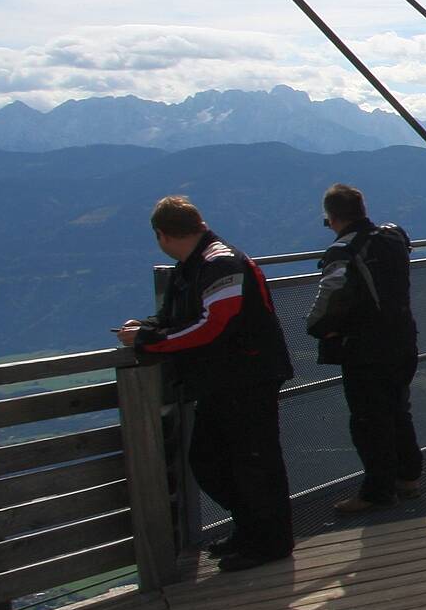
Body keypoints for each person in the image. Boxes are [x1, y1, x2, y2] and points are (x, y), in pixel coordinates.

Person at [115, 196, 294, 572]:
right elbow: (184, 319)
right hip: (225, 379)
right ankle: (250, 530)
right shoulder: (192, 266)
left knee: (253, 462)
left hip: (247, 377)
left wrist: (151, 341)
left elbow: (214, 325)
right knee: (213, 460)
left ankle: (269, 543)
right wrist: (148, 328)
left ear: (162, 235)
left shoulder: (219, 262)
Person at [306, 184, 422, 513]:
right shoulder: (393, 237)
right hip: (403, 337)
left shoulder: (344, 250)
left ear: (332, 218)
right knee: (399, 409)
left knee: (369, 420)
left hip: (366, 348)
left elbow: (331, 296)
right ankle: (409, 477)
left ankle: (377, 492)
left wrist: (314, 327)